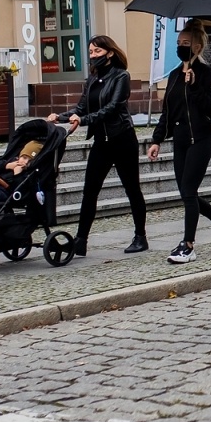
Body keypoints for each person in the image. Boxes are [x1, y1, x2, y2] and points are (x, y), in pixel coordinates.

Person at [48, 35, 145, 256]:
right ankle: (80, 241)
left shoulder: (121, 76)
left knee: (132, 189)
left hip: (122, 139)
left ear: (109, 53)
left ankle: (141, 236)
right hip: (102, 141)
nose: (93, 56)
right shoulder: (91, 79)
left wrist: (83, 120)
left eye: (97, 52)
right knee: (89, 191)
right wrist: (61, 117)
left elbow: (112, 107)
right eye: (91, 52)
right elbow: (81, 108)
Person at [147, 24, 211, 265]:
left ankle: (188, 245)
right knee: (188, 192)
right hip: (181, 140)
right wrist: (156, 139)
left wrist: (194, 85)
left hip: (202, 140)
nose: (180, 47)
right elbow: (167, 113)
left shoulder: (207, 74)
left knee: (187, 191)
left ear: (196, 46)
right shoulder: (174, 76)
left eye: (185, 44)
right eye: (178, 43)